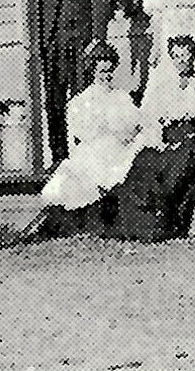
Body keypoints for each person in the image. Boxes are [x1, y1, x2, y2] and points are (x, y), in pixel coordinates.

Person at [109, 33, 195, 241]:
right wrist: (158, 141)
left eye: (185, 55)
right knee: (144, 160)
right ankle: (142, 222)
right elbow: (150, 117)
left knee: (181, 161)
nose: (181, 60)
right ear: (171, 58)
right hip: (166, 138)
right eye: (176, 56)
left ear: (193, 56)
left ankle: (165, 211)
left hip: (192, 138)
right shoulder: (162, 88)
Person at [31, 41, 144, 232]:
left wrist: (124, 133)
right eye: (102, 71)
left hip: (121, 149)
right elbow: (80, 134)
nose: (107, 75)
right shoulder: (83, 101)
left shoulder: (121, 97)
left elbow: (135, 127)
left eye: (110, 70)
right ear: (93, 71)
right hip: (95, 150)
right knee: (81, 179)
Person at [37, 0, 112, 158]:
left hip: (82, 42)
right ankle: (58, 156)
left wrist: (97, 39)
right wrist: (38, 39)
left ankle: (84, 155)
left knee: (83, 100)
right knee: (54, 101)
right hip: (52, 41)